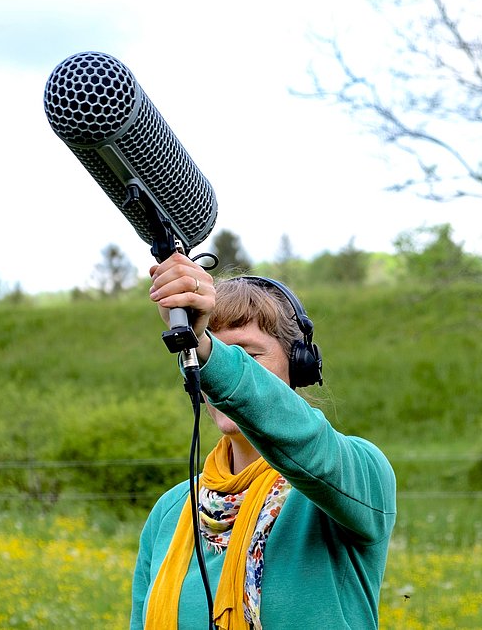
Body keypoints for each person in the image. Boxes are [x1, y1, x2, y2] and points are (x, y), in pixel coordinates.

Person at [130, 252, 397, 630]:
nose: (219, 378)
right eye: (216, 357)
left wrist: (207, 351)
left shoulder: (359, 475)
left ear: (298, 366)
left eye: (249, 355)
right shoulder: (171, 511)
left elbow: (310, 446)